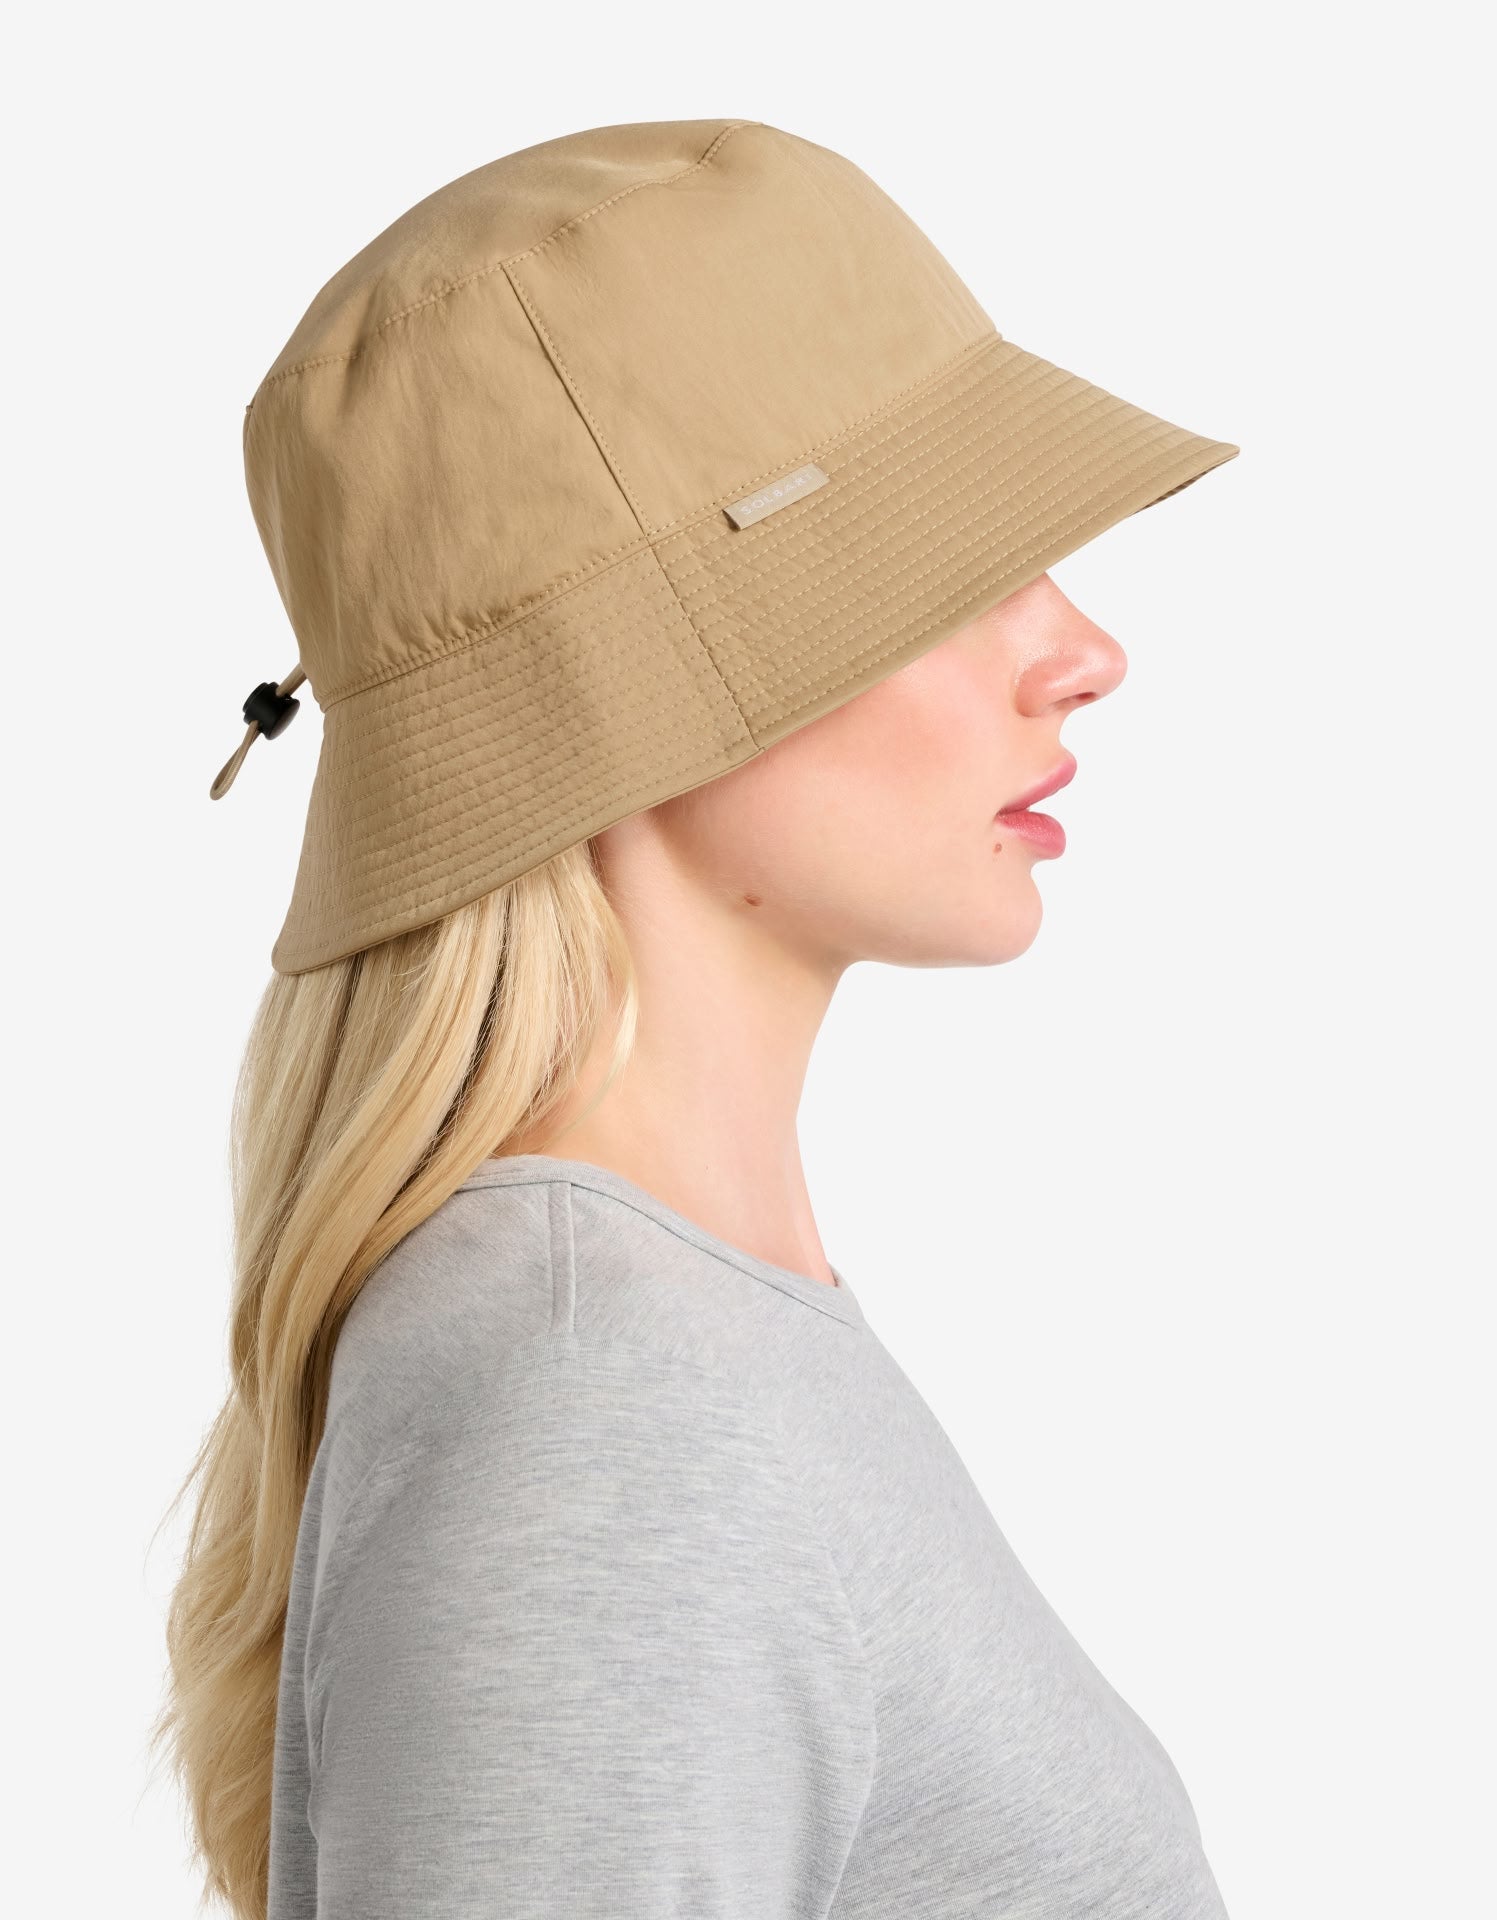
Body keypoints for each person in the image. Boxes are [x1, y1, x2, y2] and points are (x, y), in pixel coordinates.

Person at [154, 117, 1240, 1919]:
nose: (1081, 652)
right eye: (946, 561)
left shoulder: (663, 1342)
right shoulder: (606, 1405)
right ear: (620, 689)